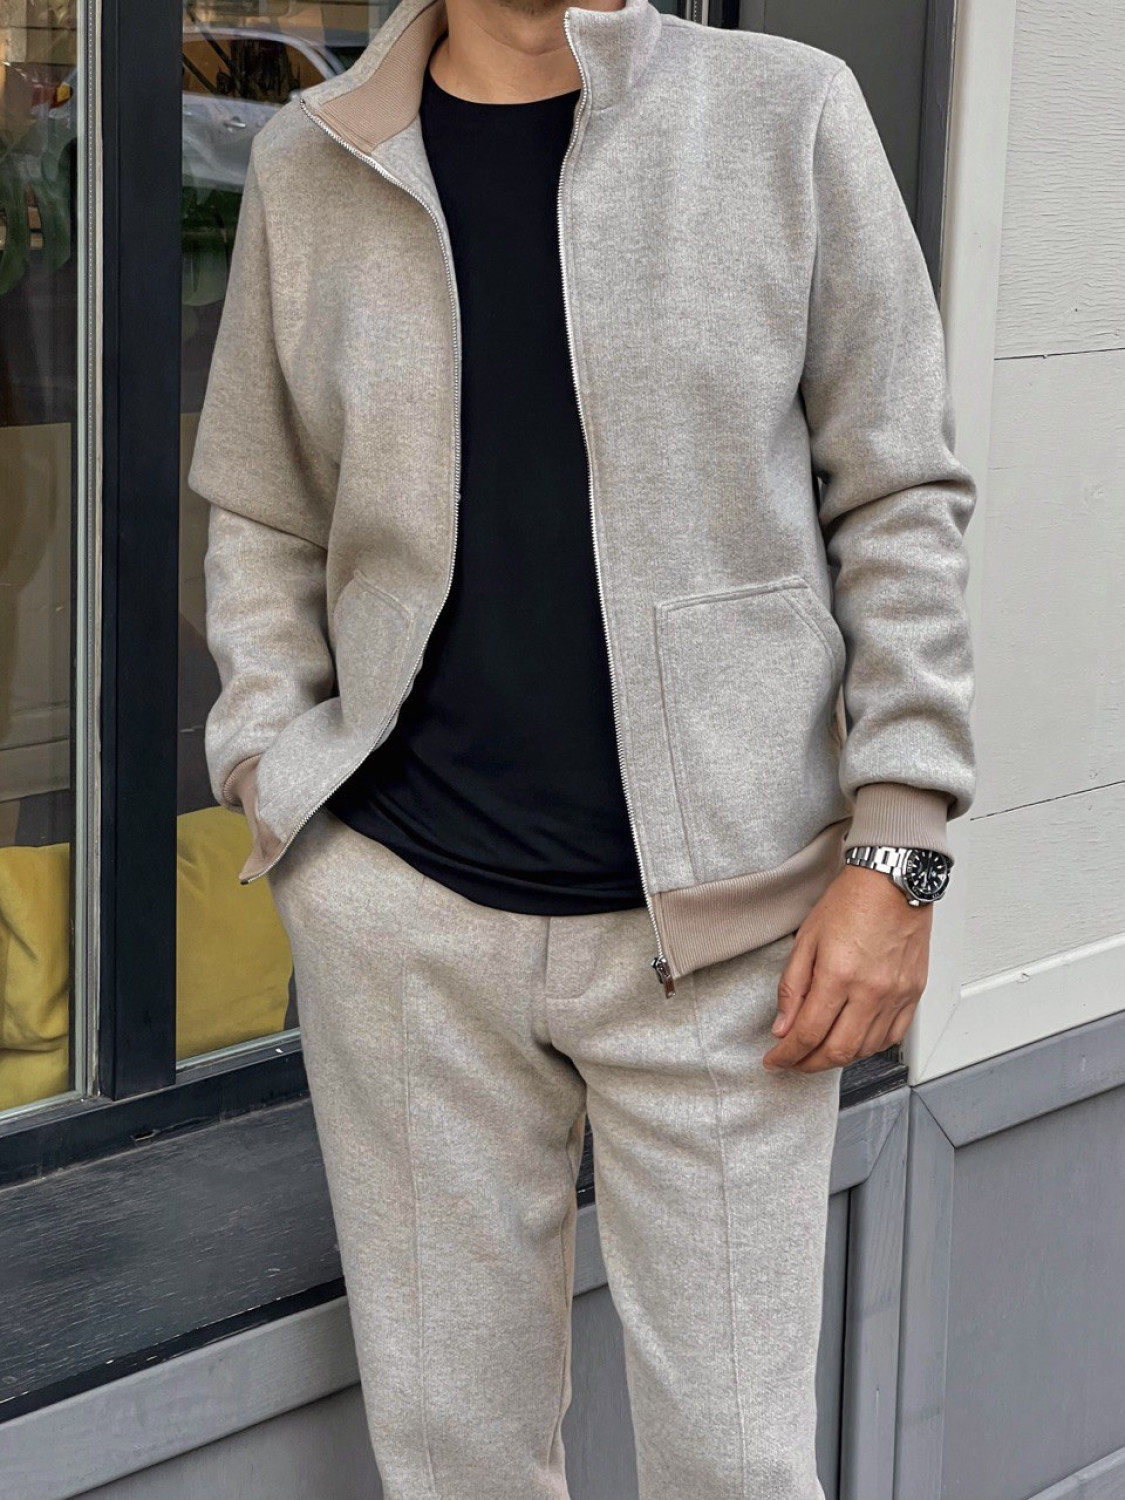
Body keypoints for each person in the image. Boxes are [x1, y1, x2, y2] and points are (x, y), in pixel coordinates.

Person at [187, 0, 976, 1492]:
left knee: (735, 1468)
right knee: (456, 1459)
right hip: (407, 930)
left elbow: (897, 497)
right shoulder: (317, 157)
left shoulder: (786, 112)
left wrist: (900, 848)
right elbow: (262, 502)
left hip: (735, 947)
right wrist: (273, 766)